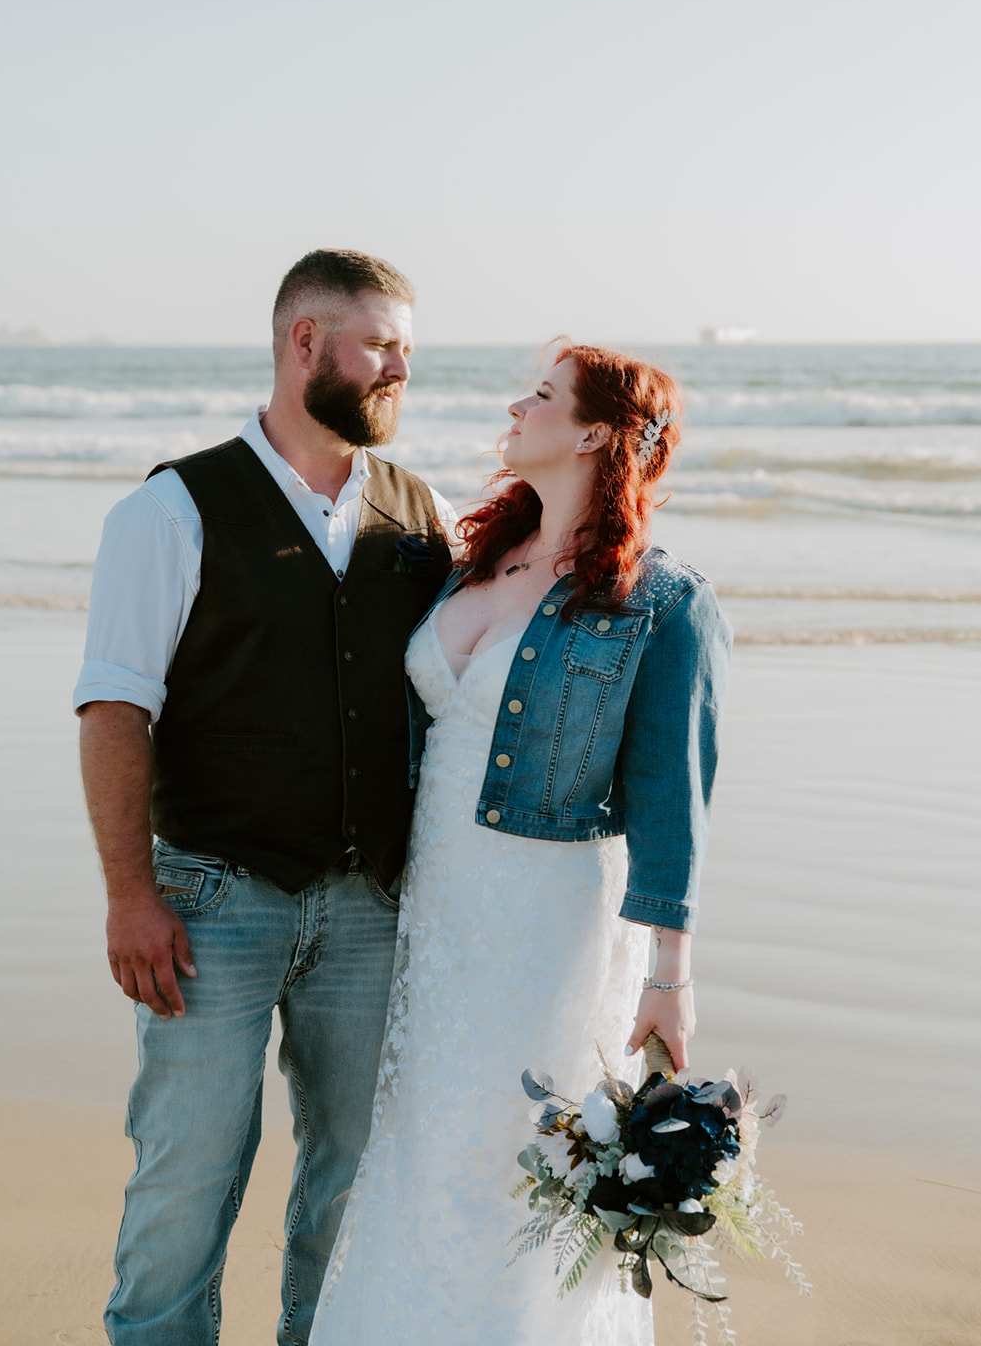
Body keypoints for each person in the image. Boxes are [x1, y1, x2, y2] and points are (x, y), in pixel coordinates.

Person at [309, 343, 732, 1346]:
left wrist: (671, 974)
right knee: (423, 1150)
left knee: (524, 1162)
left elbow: (676, 799)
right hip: (438, 908)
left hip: (552, 919)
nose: (516, 404)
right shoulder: (471, 561)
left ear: (593, 430)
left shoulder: (663, 604)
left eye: (540, 394)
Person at [74, 249, 455, 1346]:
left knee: (352, 1178)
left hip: (369, 907)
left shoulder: (420, 511)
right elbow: (113, 712)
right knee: (186, 1173)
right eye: (382, 346)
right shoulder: (173, 509)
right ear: (306, 342)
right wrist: (129, 894)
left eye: (407, 354)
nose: (398, 372)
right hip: (209, 901)